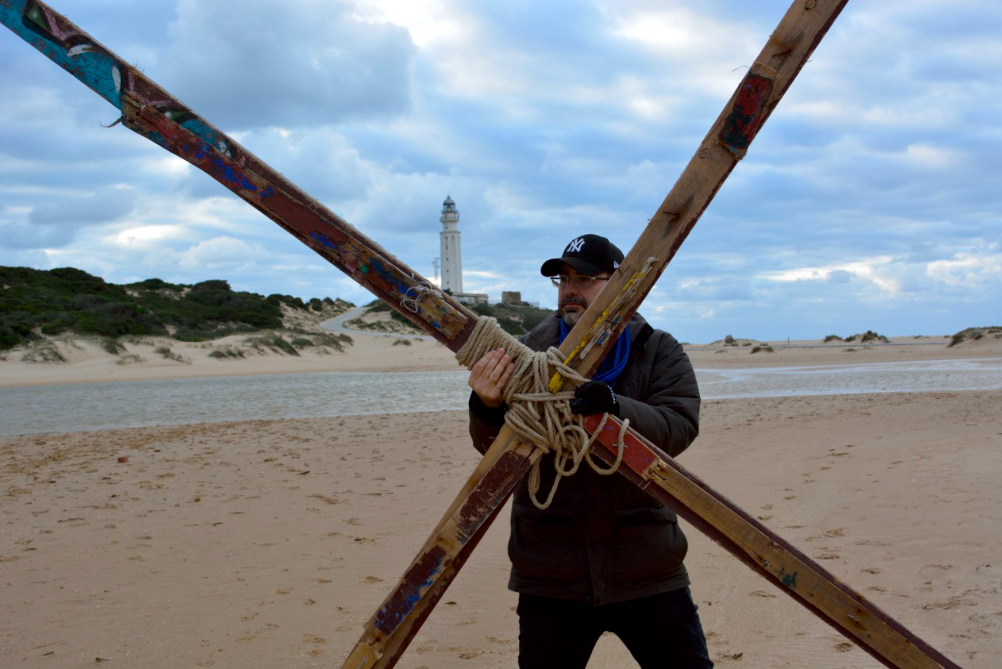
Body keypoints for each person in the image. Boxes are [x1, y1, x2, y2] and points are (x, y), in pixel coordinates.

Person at [467, 234, 712, 669]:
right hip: (550, 570)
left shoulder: (656, 349)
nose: (569, 289)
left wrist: (615, 409)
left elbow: (679, 426)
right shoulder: (524, 354)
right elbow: (494, 451)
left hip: (645, 563)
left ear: (619, 284)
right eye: (563, 279)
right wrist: (486, 407)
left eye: (584, 278)